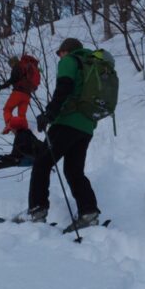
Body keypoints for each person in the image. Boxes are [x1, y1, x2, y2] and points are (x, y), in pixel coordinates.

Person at [16, 38, 99, 227]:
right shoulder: (91, 64)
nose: (60, 56)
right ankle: (89, 212)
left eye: (60, 53)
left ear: (66, 51)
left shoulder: (70, 61)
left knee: (42, 162)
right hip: (86, 126)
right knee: (73, 170)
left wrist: (49, 115)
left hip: (67, 122)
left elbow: (64, 88)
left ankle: (37, 211)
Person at [0, 54, 40, 134]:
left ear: (13, 63)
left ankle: (9, 125)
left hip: (18, 93)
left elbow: (12, 80)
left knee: (7, 109)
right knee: (22, 114)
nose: (11, 67)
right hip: (27, 94)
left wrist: (2, 86)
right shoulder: (26, 68)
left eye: (10, 65)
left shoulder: (17, 67)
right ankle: (24, 129)